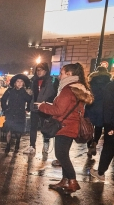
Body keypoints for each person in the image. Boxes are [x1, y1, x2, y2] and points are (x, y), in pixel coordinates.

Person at [38, 63, 94, 195]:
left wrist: (42, 106)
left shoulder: (68, 90)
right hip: (72, 126)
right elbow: (67, 108)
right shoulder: (78, 88)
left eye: (62, 73)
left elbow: (58, 110)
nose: (59, 75)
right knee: (64, 154)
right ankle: (65, 180)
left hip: (65, 127)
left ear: (69, 74)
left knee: (61, 155)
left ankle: (73, 181)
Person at [24, 62, 57, 155]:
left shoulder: (52, 81)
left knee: (45, 127)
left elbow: (55, 95)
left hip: (45, 108)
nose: (38, 72)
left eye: (41, 70)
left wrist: (47, 103)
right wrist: (28, 106)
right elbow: (30, 96)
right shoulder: (33, 81)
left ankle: (46, 144)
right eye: (37, 70)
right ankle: (32, 146)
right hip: (34, 107)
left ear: (45, 71)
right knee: (33, 127)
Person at [90, 76, 114, 182]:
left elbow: (108, 106)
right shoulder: (109, 86)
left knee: (108, 148)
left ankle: (100, 172)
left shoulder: (110, 86)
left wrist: (109, 124)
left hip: (111, 122)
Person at [1, 74, 32, 153]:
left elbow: (29, 100)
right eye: (17, 81)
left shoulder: (25, 92)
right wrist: (5, 108)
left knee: (18, 131)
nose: (19, 83)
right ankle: (8, 145)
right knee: (9, 130)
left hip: (20, 113)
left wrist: (27, 109)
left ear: (23, 83)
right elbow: (3, 99)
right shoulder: (10, 90)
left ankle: (17, 143)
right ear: (14, 83)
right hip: (10, 112)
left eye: (21, 81)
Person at [85, 66, 111, 158]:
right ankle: (95, 142)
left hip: (91, 107)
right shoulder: (109, 83)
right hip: (102, 108)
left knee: (88, 128)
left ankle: (89, 145)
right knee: (98, 127)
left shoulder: (91, 82)